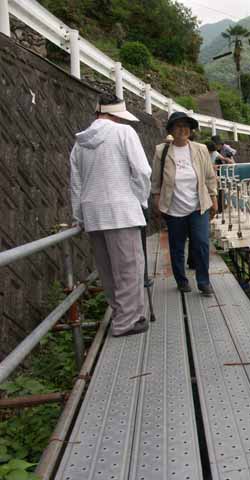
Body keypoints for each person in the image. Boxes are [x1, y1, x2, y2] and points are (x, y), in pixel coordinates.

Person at [69, 94, 151, 337]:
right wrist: (140, 200)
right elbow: (142, 171)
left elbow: (76, 183)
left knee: (107, 271)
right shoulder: (124, 132)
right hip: (122, 210)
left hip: (93, 213)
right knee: (129, 268)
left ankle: (119, 314)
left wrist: (79, 216)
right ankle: (127, 321)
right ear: (116, 115)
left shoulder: (80, 142)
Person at [151, 112, 218, 296]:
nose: (183, 130)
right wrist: (157, 201)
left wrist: (214, 198)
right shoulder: (162, 151)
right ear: (171, 130)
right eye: (178, 126)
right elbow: (156, 179)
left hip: (198, 206)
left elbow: (209, 177)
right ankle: (181, 281)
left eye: (186, 126)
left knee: (202, 244)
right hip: (174, 208)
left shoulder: (200, 149)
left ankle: (204, 282)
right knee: (177, 246)